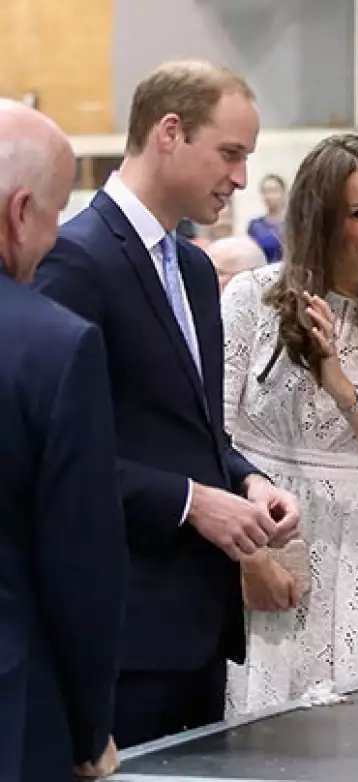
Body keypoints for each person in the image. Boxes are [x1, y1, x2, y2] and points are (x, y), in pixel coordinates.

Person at [33, 60, 302, 748]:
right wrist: (190, 501)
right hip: (123, 627)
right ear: (170, 133)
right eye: (230, 154)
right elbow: (49, 457)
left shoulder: (190, 267)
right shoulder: (74, 260)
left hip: (200, 624)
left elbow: (191, 427)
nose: (241, 178)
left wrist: (245, 478)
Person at [220, 134, 358, 715]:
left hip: (349, 545)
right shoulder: (250, 298)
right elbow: (212, 434)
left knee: (345, 733)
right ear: (322, 221)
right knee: (250, 729)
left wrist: (339, 383)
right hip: (253, 532)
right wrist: (252, 559)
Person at [0, 99, 126, 782]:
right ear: (21, 212)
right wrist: (90, 728)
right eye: (54, 215)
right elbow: (83, 567)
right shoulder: (55, 346)